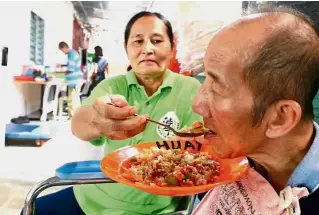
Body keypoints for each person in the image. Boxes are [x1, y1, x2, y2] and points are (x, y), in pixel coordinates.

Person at [22, 11, 202, 215]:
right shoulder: (112, 86)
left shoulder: (191, 90)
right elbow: (79, 124)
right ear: (127, 49)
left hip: (157, 208)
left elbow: (201, 147)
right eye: (138, 41)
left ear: (172, 48)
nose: (147, 49)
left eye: (157, 40)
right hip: (96, 194)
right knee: (32, 208)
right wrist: (96, 121)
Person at [191, 7, 319, 215]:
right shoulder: (220, 165)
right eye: (205, 77)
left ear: (279, 118)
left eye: (217, 87)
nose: (197, 104)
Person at [58, 41, 83, 117]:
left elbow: (71, 69)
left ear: (64, 47)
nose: (63, 52)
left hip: (74, 81)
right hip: (76, 80)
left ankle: (73, 117)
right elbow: (73, 65)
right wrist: (63, 65)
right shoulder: (73, 53)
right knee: (75, 99)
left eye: (62, 50)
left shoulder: (71, 54)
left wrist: (62, 72)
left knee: (72, 100)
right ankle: (77, 116)